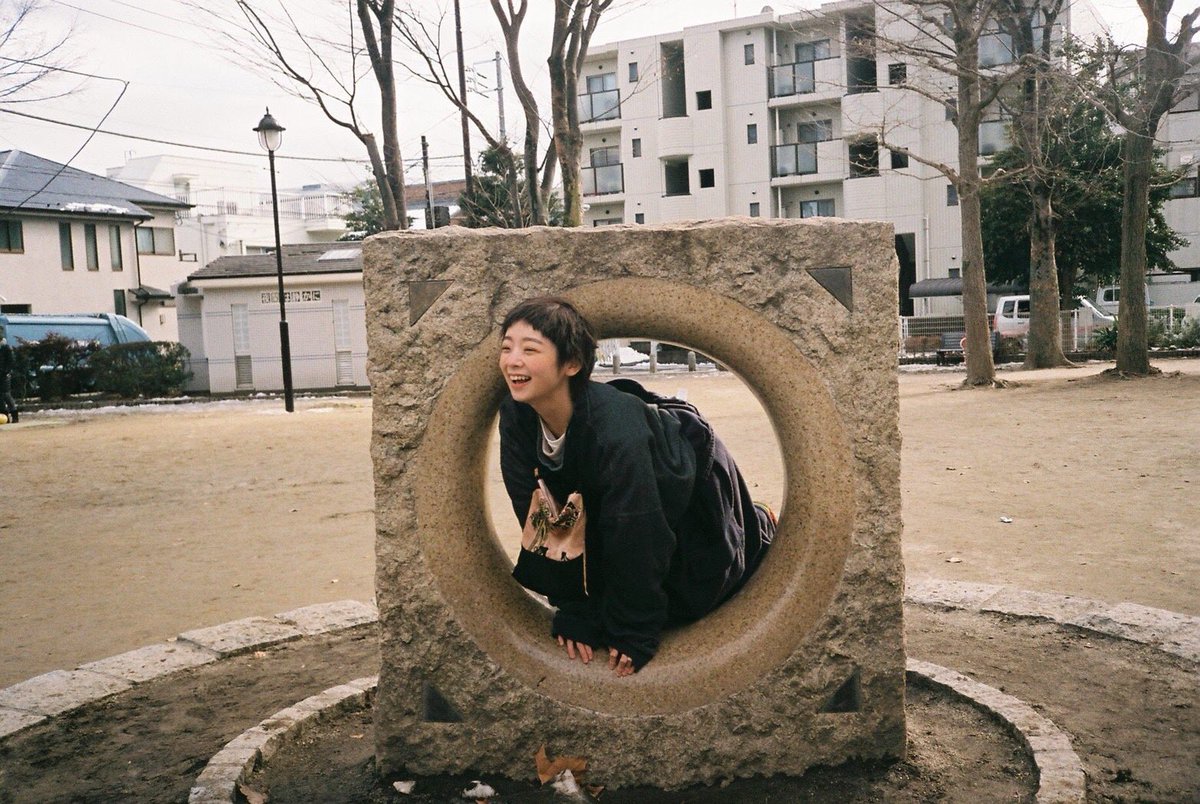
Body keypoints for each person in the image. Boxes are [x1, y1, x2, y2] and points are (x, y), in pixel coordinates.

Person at [498, 297, 775, 677]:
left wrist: (633, 629)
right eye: (507, 348)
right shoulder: (516, 414)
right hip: (620, 489)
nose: (512, 361)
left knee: (714, 574)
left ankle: (761, 519)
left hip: (690, 482)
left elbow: (638, 531)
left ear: (571, 363)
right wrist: (576, 609)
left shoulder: (616, 433)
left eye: (530, 350)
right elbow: (538, 517)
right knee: (609, 533)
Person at [0, 334, 17, 424]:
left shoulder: (6, 348)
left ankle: (14, 415)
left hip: (4, 375)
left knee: (6, 394)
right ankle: (4, 416)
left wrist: (6, 371)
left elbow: (11, 361)